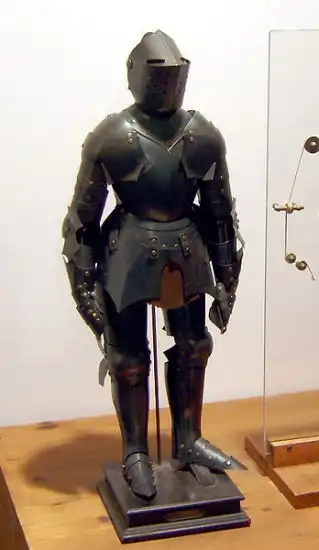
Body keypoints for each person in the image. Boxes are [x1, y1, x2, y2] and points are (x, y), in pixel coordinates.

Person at [61, 30, 244, 500]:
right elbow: (83, 220)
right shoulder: (111, 137)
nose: (164, 84)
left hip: (187, 245)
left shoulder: (203, 136)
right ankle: (136, 452)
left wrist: (227, 277)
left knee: (194, 346)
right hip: (128, 249)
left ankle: (188, 438)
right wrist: (83, 287)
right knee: (127, 360)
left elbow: (220, 214)